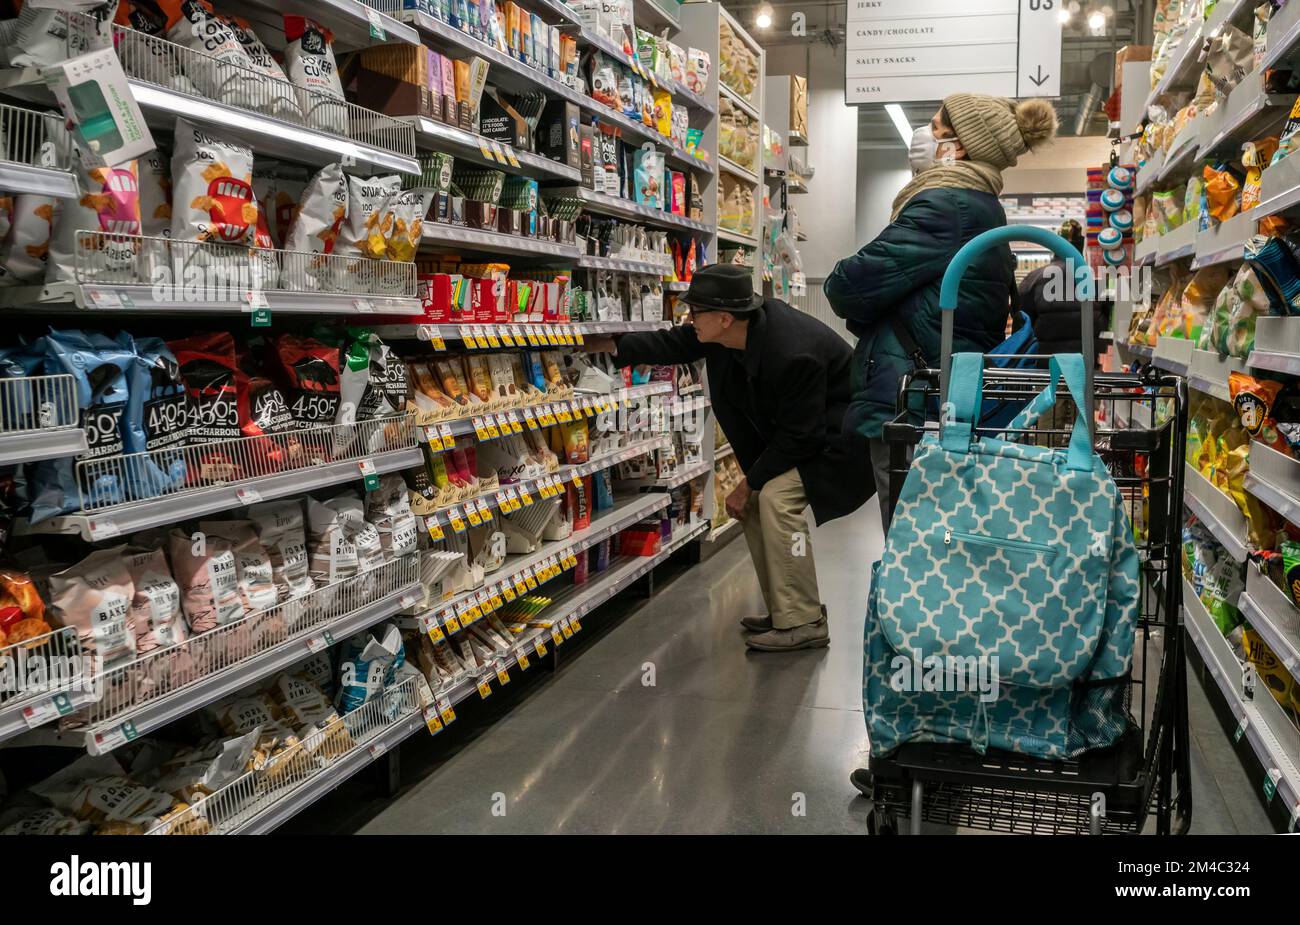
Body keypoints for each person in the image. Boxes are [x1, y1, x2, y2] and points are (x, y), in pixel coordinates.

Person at [585, 263, 871, 652]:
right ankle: (786, 611)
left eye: (695, 311)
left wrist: (748, 482)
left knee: (775, 499)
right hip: (803, 437)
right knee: (755, 503)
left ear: (724, 318)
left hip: (840, 440)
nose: (689, 318)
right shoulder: (726, 334)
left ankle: (804, 621)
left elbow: (801, 436)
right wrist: (612, 344)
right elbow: (676, 343)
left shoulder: (792, 352)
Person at [824, 94, 1059, 526]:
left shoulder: (946, 206)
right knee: (937, 546)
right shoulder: (979, 204)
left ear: (959, 146)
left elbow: (846, 286)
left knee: (908, 548)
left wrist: (867, 310)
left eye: (935, 127)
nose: (924, 135)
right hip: (939, 395)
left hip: (916, 401)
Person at [1017, 219, 1107, 357]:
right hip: (1088, 366)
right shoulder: (1097, 279)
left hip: (1046, 366)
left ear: (1055, 245)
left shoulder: (1033, 279)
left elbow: (1021, 328)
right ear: (1081, 245)